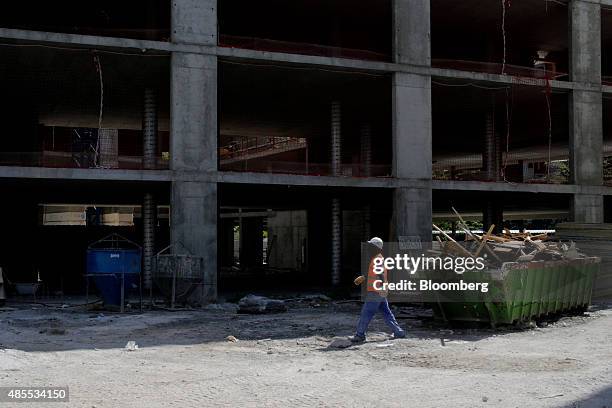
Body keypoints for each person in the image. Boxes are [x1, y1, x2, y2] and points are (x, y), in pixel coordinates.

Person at [350, 237, 405, 343]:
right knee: (386, 312)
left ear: (376, 247)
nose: (369, 247)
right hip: (379, 291)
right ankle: (398, 332)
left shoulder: (377, 259)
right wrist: (364, 277)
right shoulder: (378, 258)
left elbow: (380, 274)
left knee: (366, 313)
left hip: (376, 291)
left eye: (371, 245)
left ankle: (360, 335)